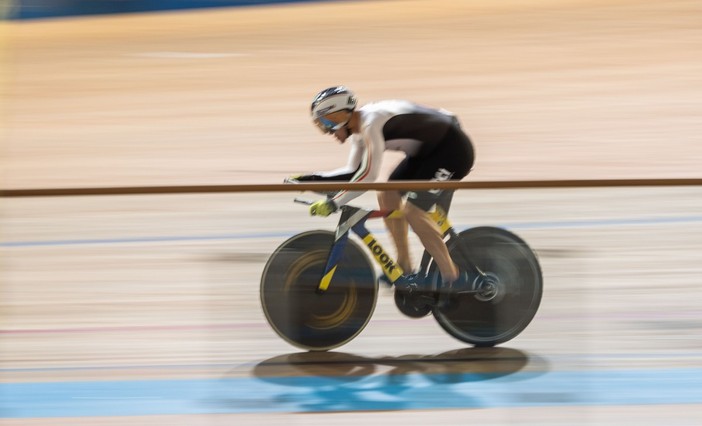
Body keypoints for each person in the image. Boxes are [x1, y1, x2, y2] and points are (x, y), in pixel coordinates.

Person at [289, 86, 475, 286]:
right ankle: (405, 266)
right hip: (430, 151)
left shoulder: (371, 124)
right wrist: (311, 180)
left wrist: (334, 203)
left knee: (413, 212)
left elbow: (368, 176)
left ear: (341, 115)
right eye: (321, 125)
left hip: (453, 151)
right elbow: (352, 172)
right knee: (387, 194)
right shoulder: (360, 130)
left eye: (327, 123)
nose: (327, 131)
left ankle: (452, 279)